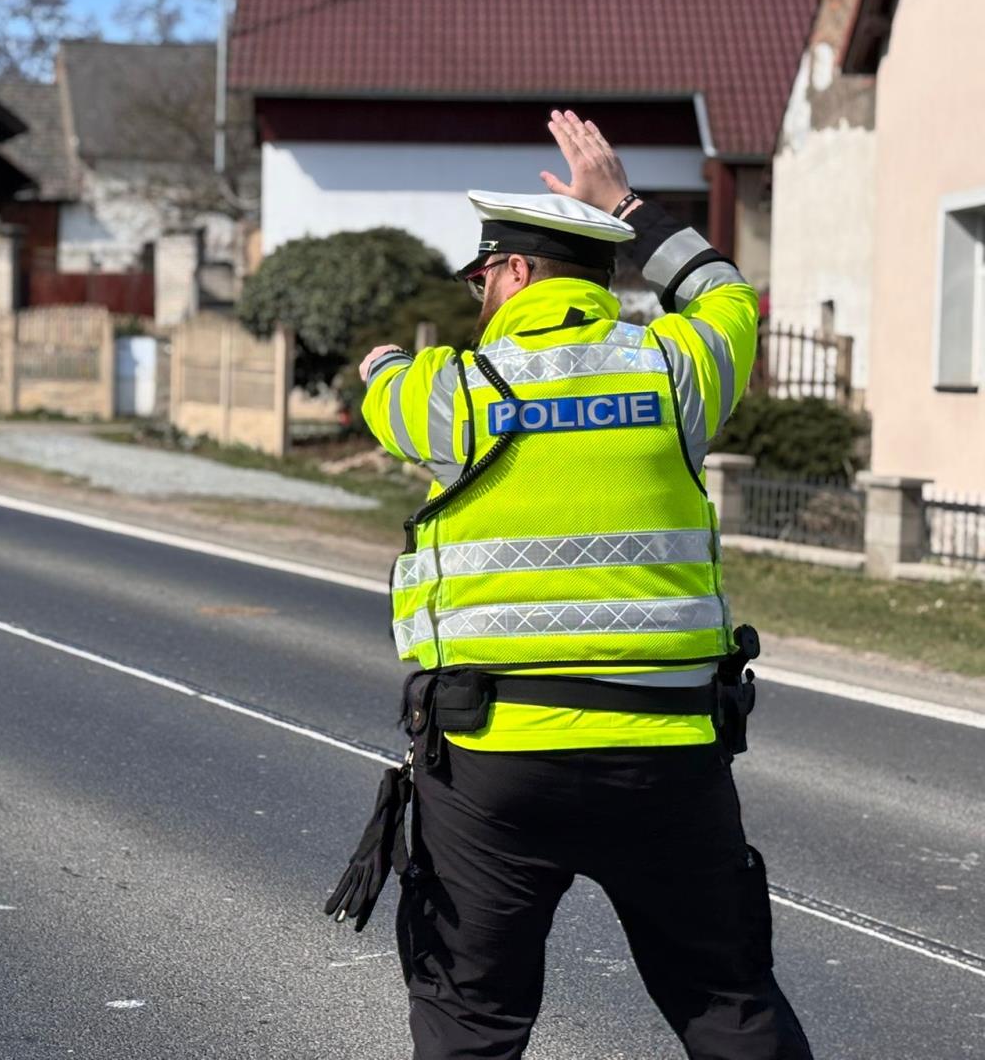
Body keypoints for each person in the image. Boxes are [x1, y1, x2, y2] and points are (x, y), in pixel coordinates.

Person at [345, 111, 813, 1059]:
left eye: (482, 276)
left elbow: (382, 391)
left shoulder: (455, 389)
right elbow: (726, 292)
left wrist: (386, 361)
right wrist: (626, 206)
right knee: (728, 1000)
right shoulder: (680, 370)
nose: (479, 294)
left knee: (471, 1017)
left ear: (514, 273)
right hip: (670, 756)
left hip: (493, 762)